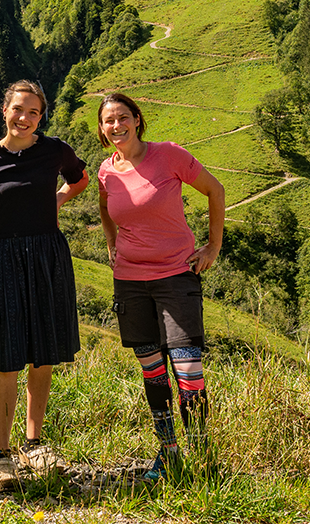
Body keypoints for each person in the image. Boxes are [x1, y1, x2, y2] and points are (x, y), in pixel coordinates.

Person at [0, 80, 89, 491]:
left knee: (43, 354)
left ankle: (34, 444)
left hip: (48, 258)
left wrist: (54, 202)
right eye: (19, 109)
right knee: (5, 361)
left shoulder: (55, 150)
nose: (25, 118)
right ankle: (2, 455)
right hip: (2, 261)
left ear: (41, 116)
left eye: (34, 112)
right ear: (4, 110)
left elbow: (80, 179)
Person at [96, 92, 224, 481]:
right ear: (102, 130)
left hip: (176, 276)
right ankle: (169, 453)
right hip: (131, 283)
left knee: (188, 369)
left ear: (137, 119)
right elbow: (106, 207)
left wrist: (213, 245)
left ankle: (201, 459)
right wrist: (112, 244)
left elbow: (215, 190)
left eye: (122, 117)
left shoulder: (167, 154)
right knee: (152, 371)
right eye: (108, 121)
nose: (116, 126)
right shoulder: (106, 171)